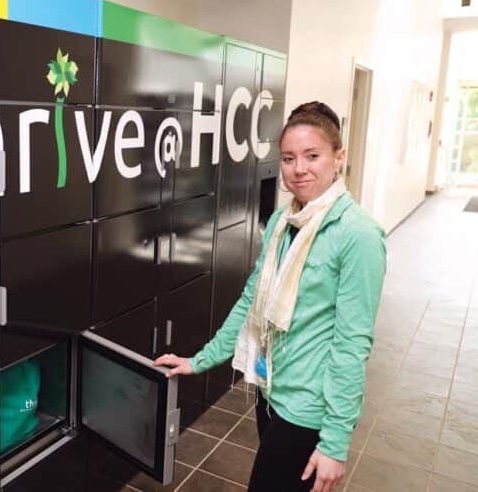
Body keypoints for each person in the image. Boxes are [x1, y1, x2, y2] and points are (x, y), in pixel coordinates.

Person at [154, 102, 386, 492]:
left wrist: (334, 444)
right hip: (269, 392)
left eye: (313, 156)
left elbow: (351, 345)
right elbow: (251, 302)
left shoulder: (358, 235)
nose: (299, 168)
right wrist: (202, 359)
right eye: (289, 158)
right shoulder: (282, 222)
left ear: (338, 157)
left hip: (308, 410)